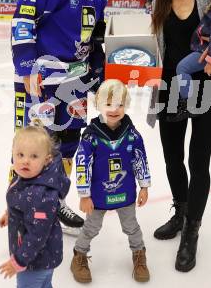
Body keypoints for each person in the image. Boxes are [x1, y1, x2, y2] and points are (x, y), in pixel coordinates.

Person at [11, 0, 108, 234]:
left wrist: (99, 77)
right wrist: (26, 69)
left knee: (67, 145)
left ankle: (55, 202)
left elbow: (96, 42)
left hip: (76, 83)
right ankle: (21, 207)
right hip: (42, 80)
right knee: (32, 146)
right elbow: (23, 21)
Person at [150, 0, 211, 273]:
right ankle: (180, 211)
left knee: (199, 160)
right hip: (168, 86)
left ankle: (192, 230)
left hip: (207, 86)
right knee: (171, 157)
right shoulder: (159, 1)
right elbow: (155, 48)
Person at [70, 80, 151, 283]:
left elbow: (140, 159)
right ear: (98, 105)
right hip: (97, 195)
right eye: (108, 104)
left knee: (131, 226)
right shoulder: (90, 137)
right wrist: (84, 195)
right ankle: (79, 255)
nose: (114, 109)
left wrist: (144, 186)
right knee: (91, 228)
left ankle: (139, 254)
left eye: (120, 104)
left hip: (126, 191)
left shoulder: (132, 135)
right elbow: (82, 165)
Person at [0, 125, 70, 287]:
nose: (25, 160)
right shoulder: (26, 176)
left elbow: (38, 234)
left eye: (34, 156)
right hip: (39, 257)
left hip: (36, 261)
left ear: (47, 159)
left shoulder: (42, 195)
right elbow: (20, 200)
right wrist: (10, 213)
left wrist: (19, 261)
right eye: (20, 154)